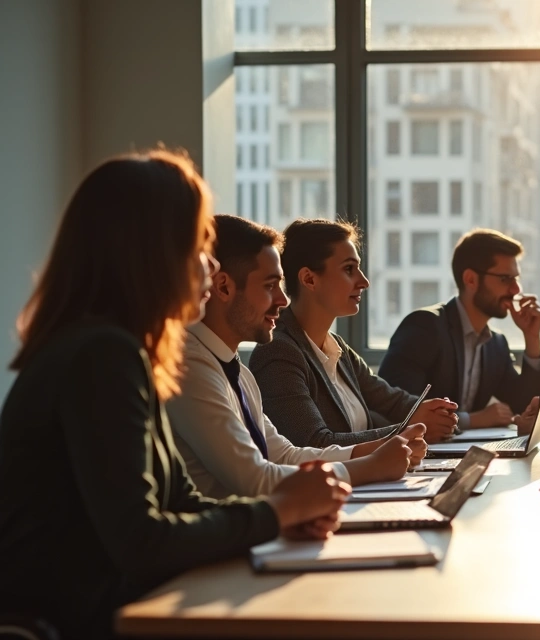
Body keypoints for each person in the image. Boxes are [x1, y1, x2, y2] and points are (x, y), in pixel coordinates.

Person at [0, 151, 348, 638]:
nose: (211, 264)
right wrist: (277, 511)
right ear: (152, 254)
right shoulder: (101, 355)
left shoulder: (121, 351)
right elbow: (142, 541)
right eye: (200, 244)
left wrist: (280, 517)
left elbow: (183, 500)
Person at [167, 215, 428, 499]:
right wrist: (369, 467)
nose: (282, 300)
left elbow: (285, 455)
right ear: (223, 287)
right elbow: (255, 479)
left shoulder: (237, 371)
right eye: (269, 286)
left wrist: (382, 449)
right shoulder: (189, 368)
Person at [250, 219, 459, 446]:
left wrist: (437, 413)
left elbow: (393, 402)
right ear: (309, 279)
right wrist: (407, 432)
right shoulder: (278, 352)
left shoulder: (338, 349)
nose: (364, 281)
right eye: (349, 269)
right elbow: (313, 443)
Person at [378, 229, 540, 430]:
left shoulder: (495, 344)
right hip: (417, 448)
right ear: (470, 279)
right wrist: (473, 419)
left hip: (463, 448)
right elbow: (397, 410)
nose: (516, 290)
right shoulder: (424, 327)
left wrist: (532, 337)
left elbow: (523, 405)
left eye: (516, 279)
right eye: (505, 279)